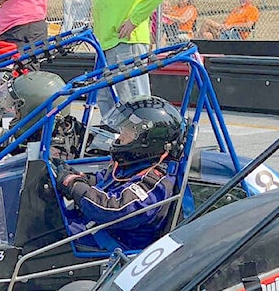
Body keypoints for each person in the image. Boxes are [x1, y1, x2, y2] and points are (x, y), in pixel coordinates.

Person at [51, 95, 186, 250]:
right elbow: (105, 180)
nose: (120, 137)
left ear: (146, 140)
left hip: (112, 246)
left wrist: (74, 185)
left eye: (128, 132)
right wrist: (80, 177)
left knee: (43, 235)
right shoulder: (136, 164)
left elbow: (113, 209)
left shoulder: (155, 183)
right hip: (95, 230)